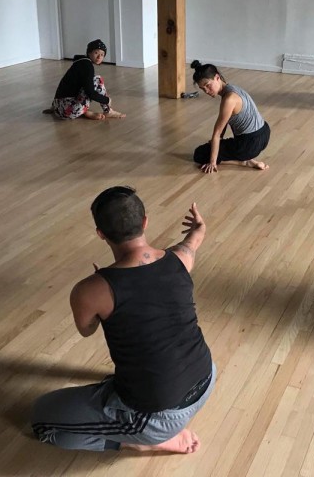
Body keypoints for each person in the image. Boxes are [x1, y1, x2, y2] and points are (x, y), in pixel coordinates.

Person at [32, 186, 215, 454]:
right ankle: (148, 429)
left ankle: (143, 440)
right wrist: (199, 227)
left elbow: (86, 329)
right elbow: (193, 241)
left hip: (158, 414)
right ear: (144, 222)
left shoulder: (89, 290)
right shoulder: (179, 260)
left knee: (41, 420)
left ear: (101, 234)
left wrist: (98, 291)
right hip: (206, 377)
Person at [192, 60, 270, 173]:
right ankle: (244, 157)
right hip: (264, 133)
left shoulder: (229, 100)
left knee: (199, 154)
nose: (207, 91)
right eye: (202, 89)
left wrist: (212, 162)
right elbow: (224, 123)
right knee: (215, 146)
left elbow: (216, 134)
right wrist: (219, 141)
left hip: (250, 144)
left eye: (208, 85)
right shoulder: (233, 89)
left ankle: (245, 161)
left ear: (217, 77)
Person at [43, 39, 125, 120]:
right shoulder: (87, 66)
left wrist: (55, 106)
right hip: (69, 112)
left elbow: (63, 87)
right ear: (89, 52)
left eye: (102, 54)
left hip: (57, 107)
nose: (99, 57)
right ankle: (107, 111)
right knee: (97, 79)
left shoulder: (79, 62)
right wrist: (107, 100)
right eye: (96, 53)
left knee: (87, 83)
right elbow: (90, 93)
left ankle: (85, 112)